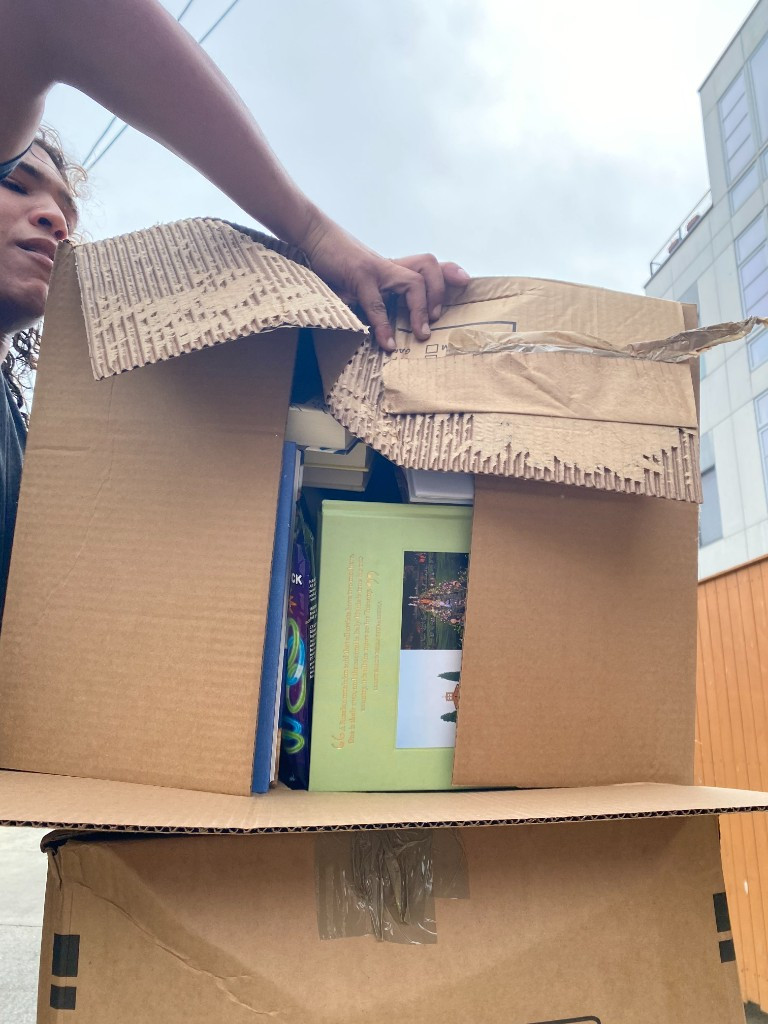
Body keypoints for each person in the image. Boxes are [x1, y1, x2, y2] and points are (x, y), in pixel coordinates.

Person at [0, 0, 469, 622]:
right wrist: (315, 234)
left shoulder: (29, 450)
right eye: (14, 183)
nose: (56, 220)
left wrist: (328, 316)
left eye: (67, 212)